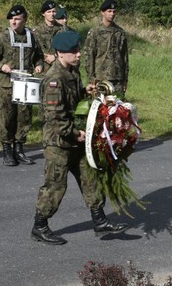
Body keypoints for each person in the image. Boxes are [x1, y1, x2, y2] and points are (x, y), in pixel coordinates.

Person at [31, 30, 128, 245]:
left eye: (78, 49)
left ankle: (100, 221)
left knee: (90, 178)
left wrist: (86, 91)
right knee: (55, 185)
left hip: (76, 140)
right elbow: (55, 118)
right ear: (59, 53)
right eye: (73, 51)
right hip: (59, 142)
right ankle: (39, 226)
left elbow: (72, 101)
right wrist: (76, 134)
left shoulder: (72, 72)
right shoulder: (54, 80)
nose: (78, 54)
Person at [0, 5, 44, 166]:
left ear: (24, 19)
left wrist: (39, 65)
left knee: (24, 118)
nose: (14, 22)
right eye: (11, 19)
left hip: (25, 84)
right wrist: (1, 65)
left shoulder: (32, 36)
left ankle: (19, 148)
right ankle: (7, 150)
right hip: (7, 85)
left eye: (17, 19)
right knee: (7, 118)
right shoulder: (3, 37)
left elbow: (39, 56)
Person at [83, 0, 129, 93]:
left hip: (117, 78)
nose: (112, 14)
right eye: (109, 11)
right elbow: (89, 56)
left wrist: (125, 79)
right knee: (100, 106)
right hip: (100, 78)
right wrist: (91, 78)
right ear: (102, 12)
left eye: (114, 11)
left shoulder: (120, 32)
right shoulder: (95, 32)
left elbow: (124, 57)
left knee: (118, 106)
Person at [32, 0, 61, 75]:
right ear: (43, 14)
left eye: (54, 11)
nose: (52, 14)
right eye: (49, 12)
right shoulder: (36, 31)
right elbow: (32, 50)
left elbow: (68, 50)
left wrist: (55, 56)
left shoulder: (62, 30)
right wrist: (45, 57)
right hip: (42, 69)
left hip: (59, 69)